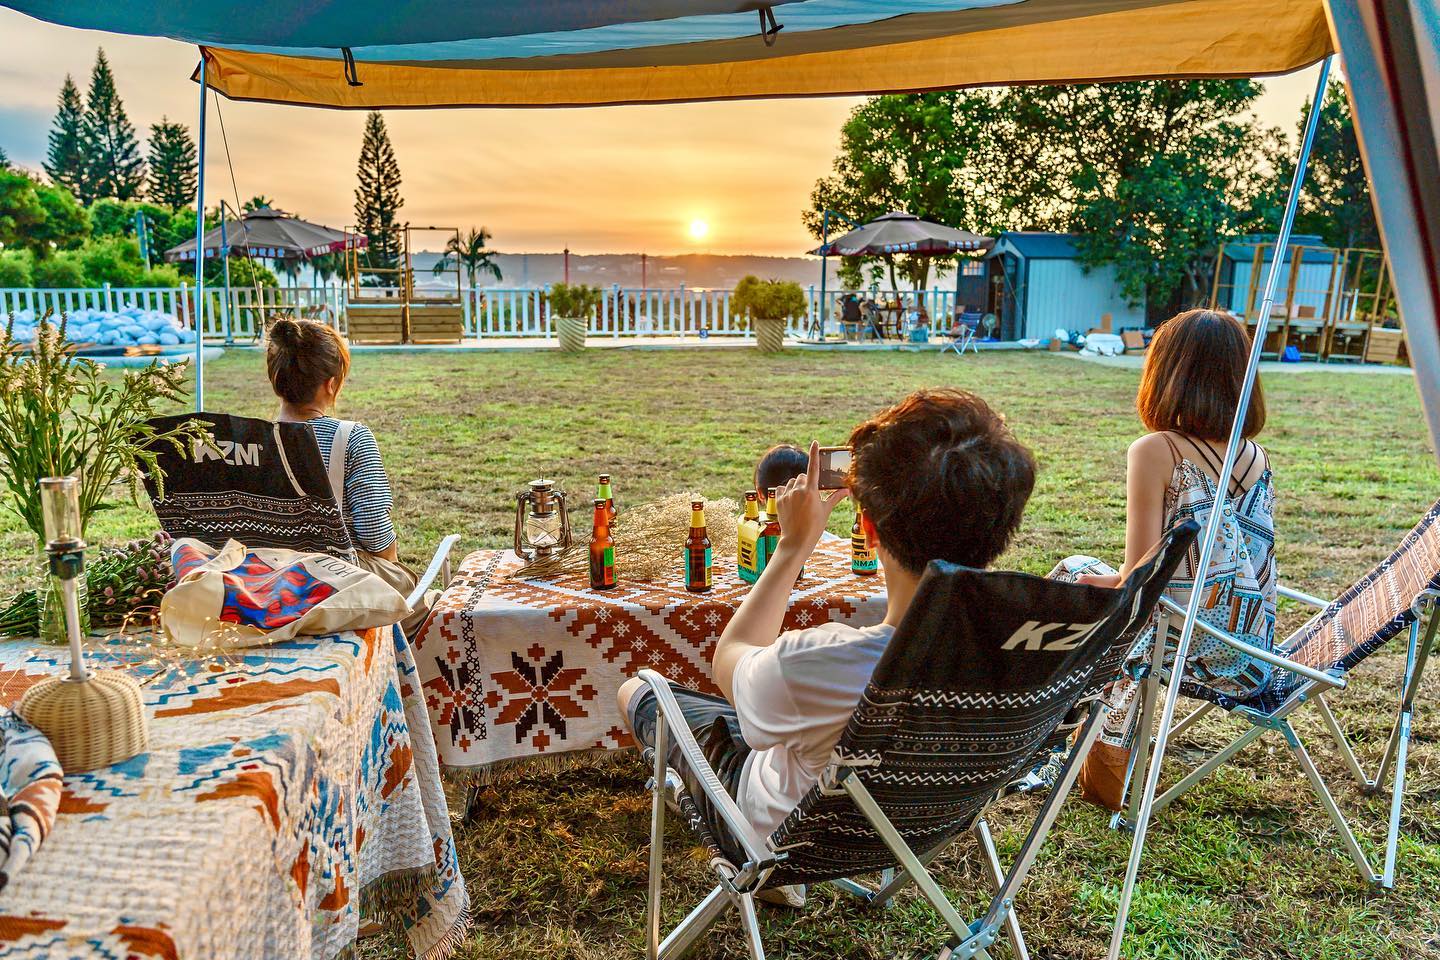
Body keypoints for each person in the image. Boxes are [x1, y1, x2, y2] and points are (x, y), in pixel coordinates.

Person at [617, 390, 1036, 902]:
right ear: (1001, 529)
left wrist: (794, 545)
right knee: (774, 712)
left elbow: (730, 657)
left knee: (639, 691)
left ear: (868, 527)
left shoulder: (822, 663)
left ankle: (768, 881)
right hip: (929, 823)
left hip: (790, 840)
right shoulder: (1027, 650)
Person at [1064, 308, 1277, 809]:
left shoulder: (1157, 450)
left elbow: (1136, 583)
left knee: (1073, 572)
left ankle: (1050, 748)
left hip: (1182, 646)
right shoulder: (1256, 455)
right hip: (1248, 652)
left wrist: (1093, 582)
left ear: (1166, 376)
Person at [266, 317, 434, 635]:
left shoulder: (254, 441)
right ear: (331, 383)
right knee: (415, 594)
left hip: (271, 585)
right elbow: (374, 533)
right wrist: (390, 569)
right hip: (335, 586)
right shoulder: (351, 438)